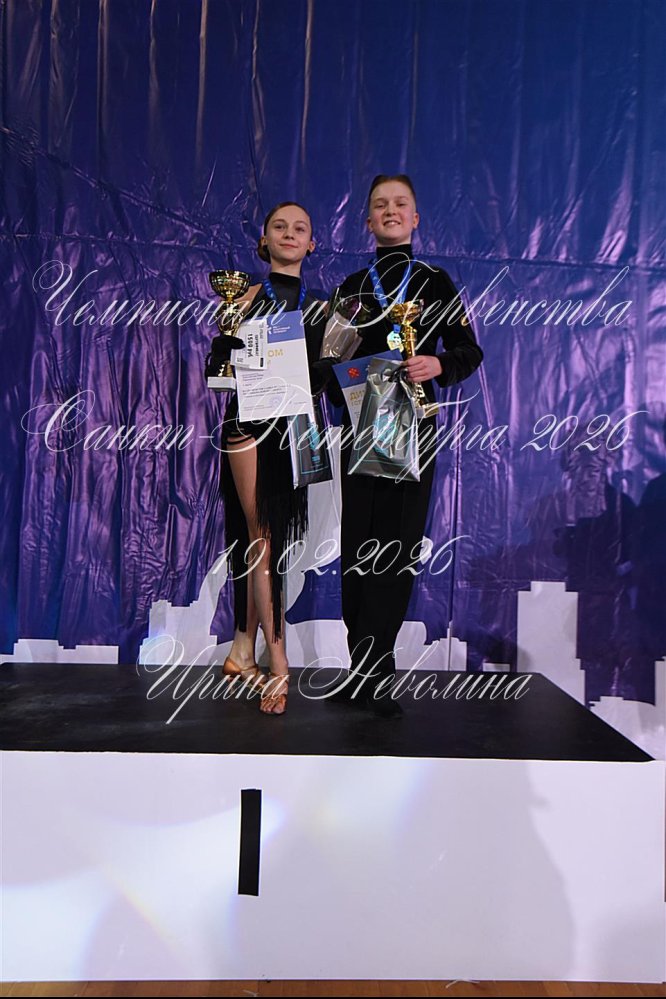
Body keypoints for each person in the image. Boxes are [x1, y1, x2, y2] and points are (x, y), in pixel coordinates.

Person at [328, 174, 484, 716]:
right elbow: (330, 365)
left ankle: (380, 672)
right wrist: (356, 377)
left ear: (415, 218)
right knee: (359, 545)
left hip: (412, 431)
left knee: (395, 547)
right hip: (362, 428)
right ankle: (359, 668)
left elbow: (468, 351)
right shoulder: (351, 288)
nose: (390, 211)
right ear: (368, 220)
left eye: (400, 204)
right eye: (380, 205)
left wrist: (437, 363)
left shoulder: (436, 282)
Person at [206, 202, 329, 715]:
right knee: (261, 539)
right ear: (264, 239)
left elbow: (327, 376)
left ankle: (242, 650)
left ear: (311, 243)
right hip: (248, 425)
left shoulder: (322, 308)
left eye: (300, 228)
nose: (289, 233)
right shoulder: (241, 298)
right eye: (280, 226)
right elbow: (222, 369)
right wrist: (223, 353)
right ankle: (279, 666)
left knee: (259, 538)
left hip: (293, 430)